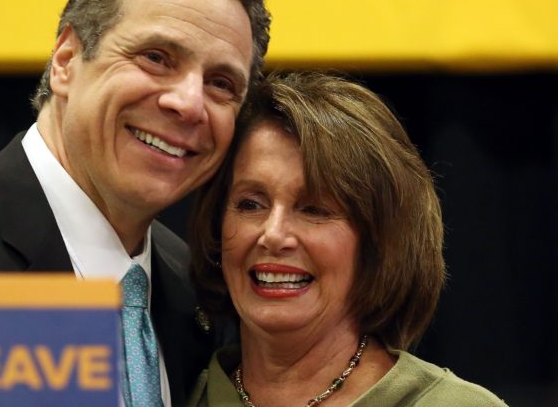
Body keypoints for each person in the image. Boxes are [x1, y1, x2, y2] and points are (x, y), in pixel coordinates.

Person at [0, 0, 270, 405]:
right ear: (66, 59)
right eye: (156, 57)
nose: (189, 104)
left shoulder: (199, 294)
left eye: (222, 84)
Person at [188, 71, 507, 406]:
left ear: (378, 242)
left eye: (314, 209)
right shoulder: (170, 391)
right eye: (250, 204)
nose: (274, 234)